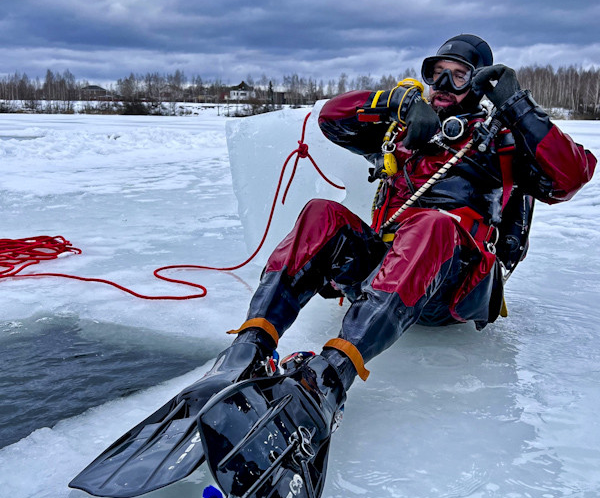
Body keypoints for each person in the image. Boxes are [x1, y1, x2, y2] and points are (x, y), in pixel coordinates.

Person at [193, 34, 597, 437]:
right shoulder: (401, 131)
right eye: (437, 74)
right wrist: (394, 103)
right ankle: (252, 344)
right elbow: (330, 119)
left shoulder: (500, 142)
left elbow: (573, 175)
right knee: (321, 214)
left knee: (433, 223)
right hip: (383, 275)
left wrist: (517, 106)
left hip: (450, 290)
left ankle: (333, 373)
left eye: (460, 77)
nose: (445, 85)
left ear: (477, 85)